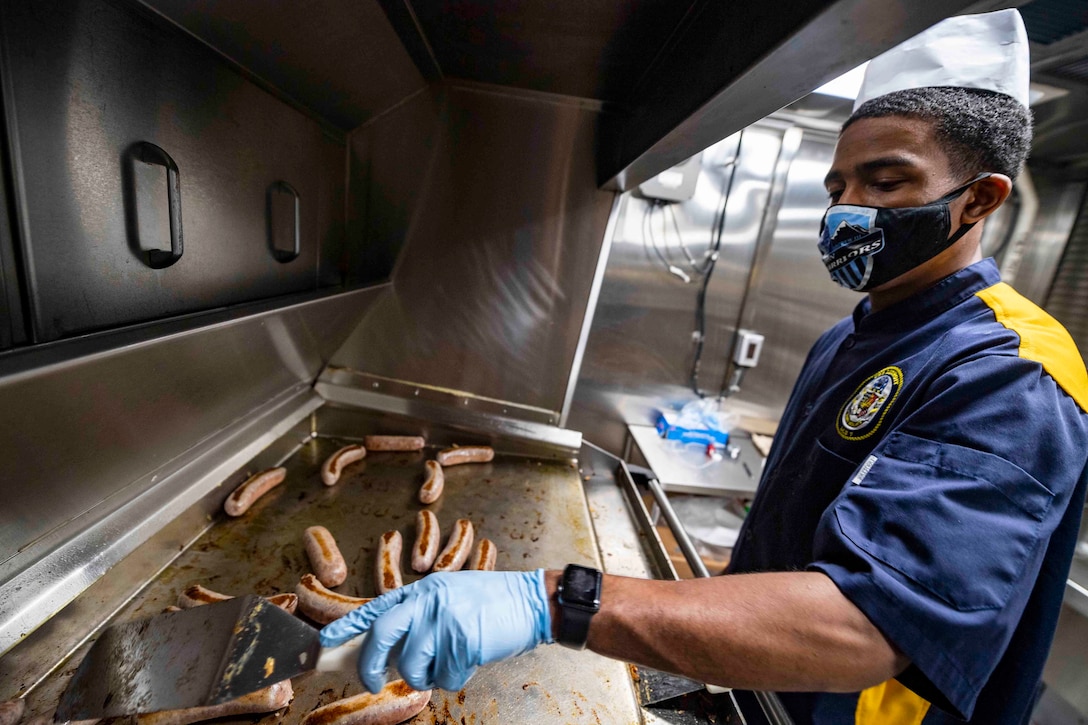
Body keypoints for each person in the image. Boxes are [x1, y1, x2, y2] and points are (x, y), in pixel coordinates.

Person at [320, 10, 1088, 724]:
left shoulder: (1013, 370)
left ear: (981, 199)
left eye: (885, 184)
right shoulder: (859, 331)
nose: (847, 209)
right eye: (838, 187)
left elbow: (867, 622)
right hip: (773, 693)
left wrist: (559, 600)